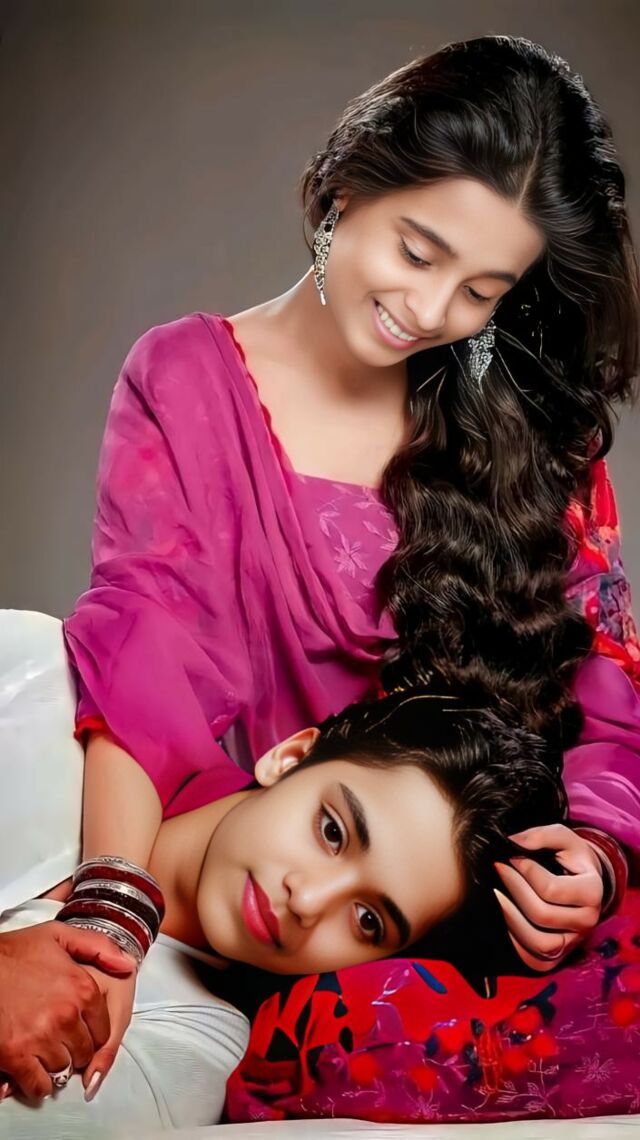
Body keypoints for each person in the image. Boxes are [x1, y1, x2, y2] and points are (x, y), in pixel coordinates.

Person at [13, 30, 640, 1103]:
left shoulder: (531, 438)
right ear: (351, 182)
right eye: (418, 252)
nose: (430, 313)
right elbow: (145, 639)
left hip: (437, 906)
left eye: (482, 290)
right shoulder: (188, 377)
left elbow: (608, 683)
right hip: (257, 880)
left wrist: (594, 853)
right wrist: (112, 907)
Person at [0, 682, 568, 1134]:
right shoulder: (39, 693)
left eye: (368, 921)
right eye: (332, 831)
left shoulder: (197, 1050)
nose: (309, 900)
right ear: (289, 756)